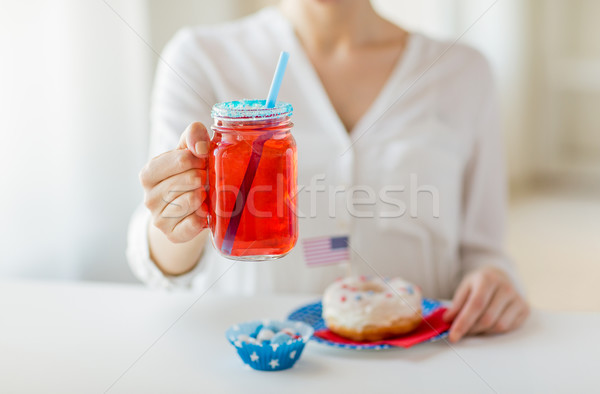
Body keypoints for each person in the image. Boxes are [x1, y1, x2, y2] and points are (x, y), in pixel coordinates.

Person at [127, 0, 529, 343]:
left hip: (414, 366)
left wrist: (492, 280)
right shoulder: (200, 57)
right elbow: (163, 266)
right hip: (261, 366)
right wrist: (177, 216)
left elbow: (483, 252)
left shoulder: (462, 71)